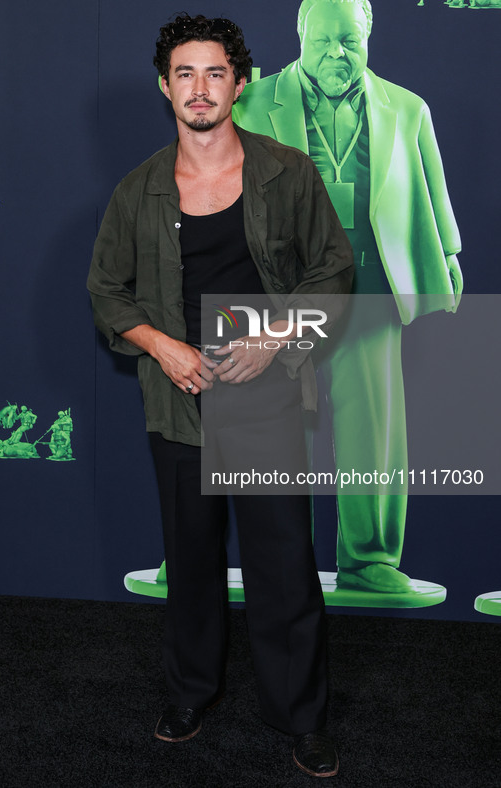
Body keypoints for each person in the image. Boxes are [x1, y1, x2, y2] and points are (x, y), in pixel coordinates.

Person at [88, 14, 353, 777]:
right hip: (179, 397)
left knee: (283, 567)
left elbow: (332, 273)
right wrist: (161, 344)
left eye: (213, 74)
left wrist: (274, 337)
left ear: (239, 83)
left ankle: (300, 717)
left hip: (265, 397)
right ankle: (189, 693)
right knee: (190, 560)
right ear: (164, 87)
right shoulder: (138, 189)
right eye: (183, 74)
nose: (198, 89)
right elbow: (107, 291)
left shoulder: (286, 172)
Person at [234, 0, 462, 595]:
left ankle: (370, 560)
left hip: (369, 290)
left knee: (375, 430)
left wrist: (451, 255)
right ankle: (282, 557)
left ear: (368, 38)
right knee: (282, 427)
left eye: (350, 41)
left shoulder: (406, 108)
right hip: (285, 292)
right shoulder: (252, 103)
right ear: (301, 35)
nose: (337, 53)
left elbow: (430, 187)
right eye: (325, 40)